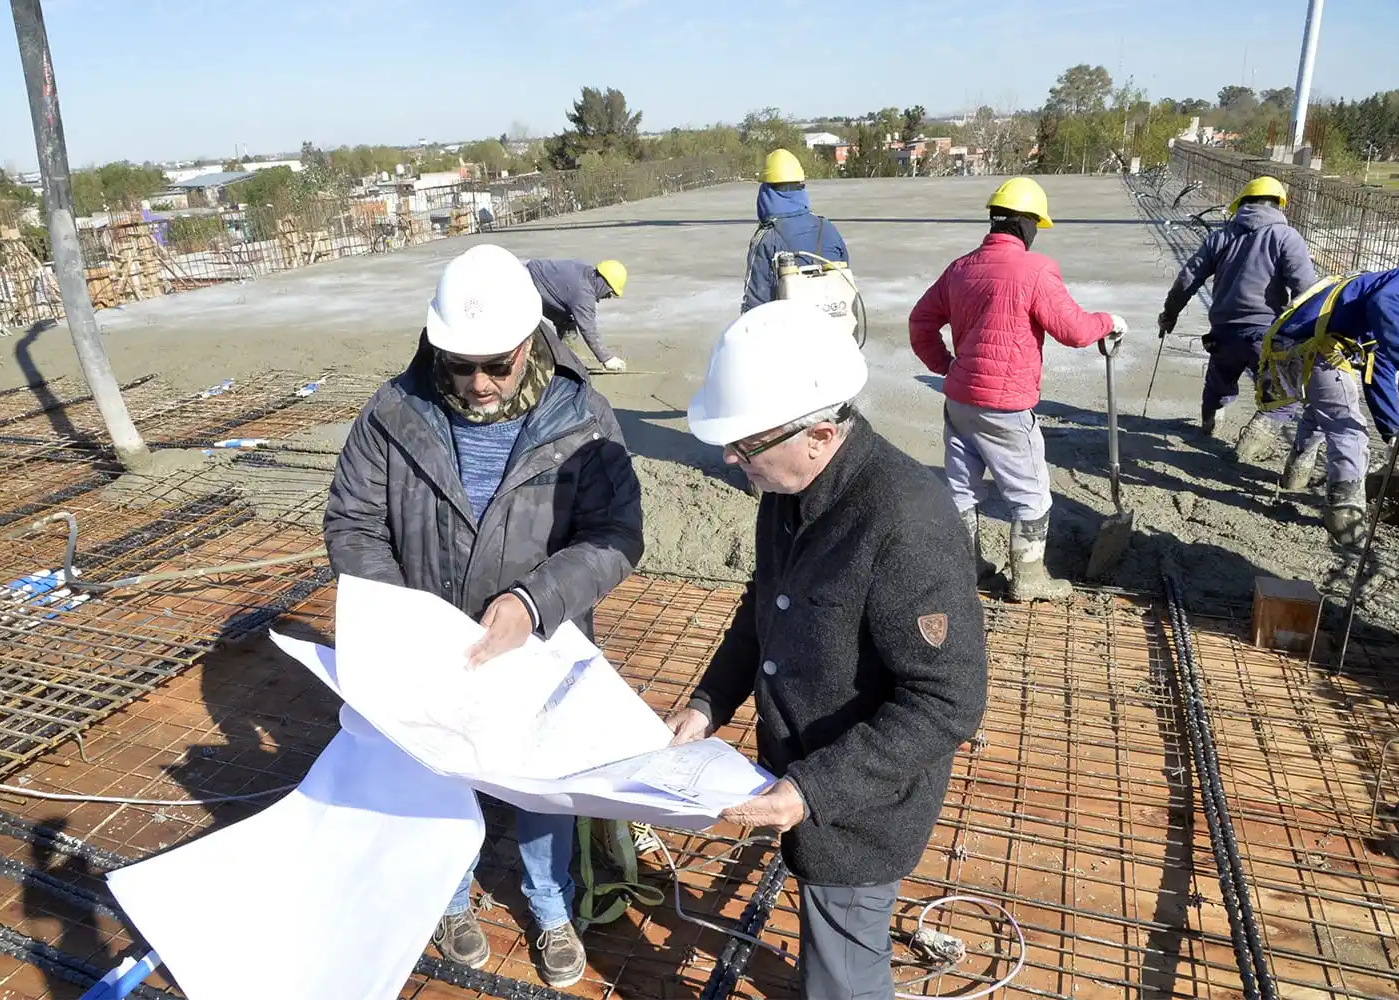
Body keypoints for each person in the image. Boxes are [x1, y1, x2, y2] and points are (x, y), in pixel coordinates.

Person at [322, 243, 644, 988]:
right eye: (459, 364)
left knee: (538, 783)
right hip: (431, 646)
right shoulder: (393, 413)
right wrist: (404, 616)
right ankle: (452, 894)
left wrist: (534, 603)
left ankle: (551, 903)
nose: (478, 383)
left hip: (539, 643)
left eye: (496, 364)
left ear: (531, 339)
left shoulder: (584, 417)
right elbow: (354, 523)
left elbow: (615, 534)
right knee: (440, 776)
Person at [668, 299, 988, 1000]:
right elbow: (764, 608)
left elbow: (948, 701)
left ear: (818, 434)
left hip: (861, 815)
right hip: (802, 784)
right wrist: (708, 703)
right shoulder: (786, 485)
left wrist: (812, 790)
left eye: (744, 443)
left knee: (840, 978)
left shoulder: (905, 522)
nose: (728, 457)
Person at [908, 177, 1126, 601]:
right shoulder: (1035, 269)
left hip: (959, 400)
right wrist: (1110, 321)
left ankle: (965, 567)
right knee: (1031, 493)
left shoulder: (961, 268)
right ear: (1027, 224)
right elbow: (1075, 330)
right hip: (1005, 406)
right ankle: (1028, 578)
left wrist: (947, 367)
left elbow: (920, 323)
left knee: (962, 488)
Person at [1157, 175, 1317, 458]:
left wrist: (1169, 314)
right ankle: (1252, 443)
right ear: (1279, 205)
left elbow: (1188, 278)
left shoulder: (1220, 237)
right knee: (1280, 396)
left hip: (1222, 331)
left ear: (1241, 204)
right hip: (1265, 334)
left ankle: (1210, 420)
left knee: (1219, 381)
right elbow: (1305, 289)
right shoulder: (1286, 237)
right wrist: (1303, 333)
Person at [1260, 268, 1399, 544]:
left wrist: (1394, 436)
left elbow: (1378, 373)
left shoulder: (1384, 290)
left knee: (1321, 412)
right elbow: (1386, 301)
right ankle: (1344, 519)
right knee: (1348, 429)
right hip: (1313, 348)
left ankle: (1295, 475)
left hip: (1290, 343)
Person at [742, 148, 848, 312]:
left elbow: (755, 304)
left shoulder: (767, 238)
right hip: (837, 330)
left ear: (767, 190)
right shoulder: (828, 228)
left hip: (789, 333)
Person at [525, 257, 629, 371]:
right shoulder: (584, 294)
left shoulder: (584, 268)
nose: (608, 296)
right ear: (604, 283)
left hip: (533, 277)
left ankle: (568, 361)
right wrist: (606, 359)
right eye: (610, 291)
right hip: (525, 285)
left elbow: (560, 293)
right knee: (528, 333)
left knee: (567, 322)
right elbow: (589, 330)